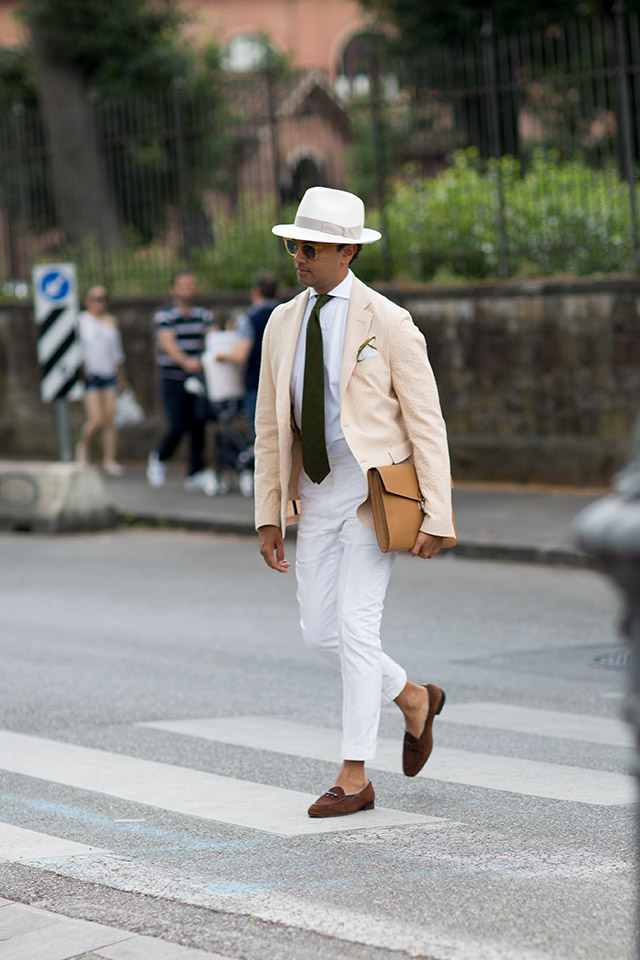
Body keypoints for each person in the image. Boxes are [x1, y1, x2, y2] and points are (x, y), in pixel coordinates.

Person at [254, 187, 456, 818]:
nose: (298, 256)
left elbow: (427, 423)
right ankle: (414, 698)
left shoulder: (388, 322)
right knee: (320, 633)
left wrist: (438, 513)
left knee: (357, 626)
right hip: (313, 491)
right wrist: (268, 514)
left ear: (346, 252)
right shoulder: (281, 322)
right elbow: (269, 427)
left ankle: (354, 774)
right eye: (294, 245)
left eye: (310, 247)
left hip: (373, 492)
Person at [146, 270, 216, 493]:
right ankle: (159, 457)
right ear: (173, 289)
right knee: (178, 424)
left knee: (198, 424)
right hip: (173, 378)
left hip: (197, 378)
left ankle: (196, 472)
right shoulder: (165, 316)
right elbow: (167, 344)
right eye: (183, 285)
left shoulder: (203, 315)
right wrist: (186, 362)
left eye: (191, 284)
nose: (188, 289)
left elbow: (213, 338)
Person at [215, 273, 279, 433]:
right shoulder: (287, 314)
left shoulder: (249, 319)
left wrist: (221, 356)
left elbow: (240, 355)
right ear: (277, 293)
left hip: (258, 386)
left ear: (255, 292)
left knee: (263, 437)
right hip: (284, 384)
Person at [76, 285, 127, 476]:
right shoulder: (81, 321)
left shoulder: (111, 322)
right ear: (87, 301)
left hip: (109, 374)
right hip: (91, 376)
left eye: (103, 299)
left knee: (110, 419)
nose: (100, 303)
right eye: (96, 299)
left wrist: (121, 377)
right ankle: (82, 447)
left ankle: (109, 459)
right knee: (96, 419)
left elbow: (117, 352)